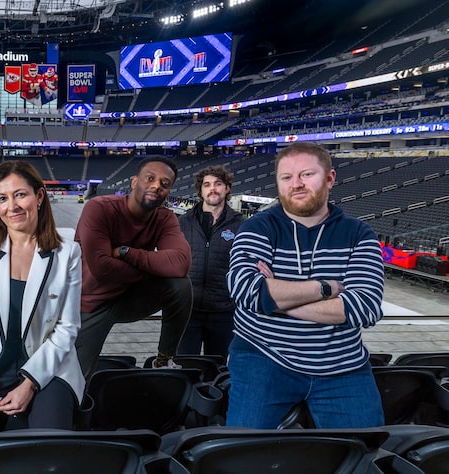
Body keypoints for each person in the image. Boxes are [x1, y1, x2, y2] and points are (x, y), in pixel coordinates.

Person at [225, 142, 385, 429]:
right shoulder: (257, 227)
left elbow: (364, 308)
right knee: (241, 452)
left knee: (365, 453)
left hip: (343, 364)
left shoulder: (359, 234)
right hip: (263, 355)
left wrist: (274, 299)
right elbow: (245, 290)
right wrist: (325, 288)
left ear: (329, 178)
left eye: (306, 174)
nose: (296, 184)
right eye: (286, 178)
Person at [0, 160, 84, 432]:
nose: (12, 206)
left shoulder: (68, 252)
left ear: (39, 196)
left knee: (48, 446)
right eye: (2, 198)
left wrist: (30, 382)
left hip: (47, 369)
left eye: (20, 194)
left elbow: (67, 327)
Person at [74, 155, 193, 379]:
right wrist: (153, 267)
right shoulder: (99, 208)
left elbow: (180, 264)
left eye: (165, 184)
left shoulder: (165, 218)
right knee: (76, 379)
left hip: (128, 299)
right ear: (134, 182)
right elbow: (102, 269)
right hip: (90, 304)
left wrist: (125, 252)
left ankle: (164, 360)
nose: (157, 185)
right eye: (150, 178)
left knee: (180, 285)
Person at [177, 165, 243, 359]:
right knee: (185, 366)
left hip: (223, 313)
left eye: (218, 184)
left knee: (217, 369)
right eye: (207, 185)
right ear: (200, 190)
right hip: (187, 312)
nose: (212, 188)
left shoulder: (241, 225)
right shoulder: (182, 222)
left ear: (227, 188)